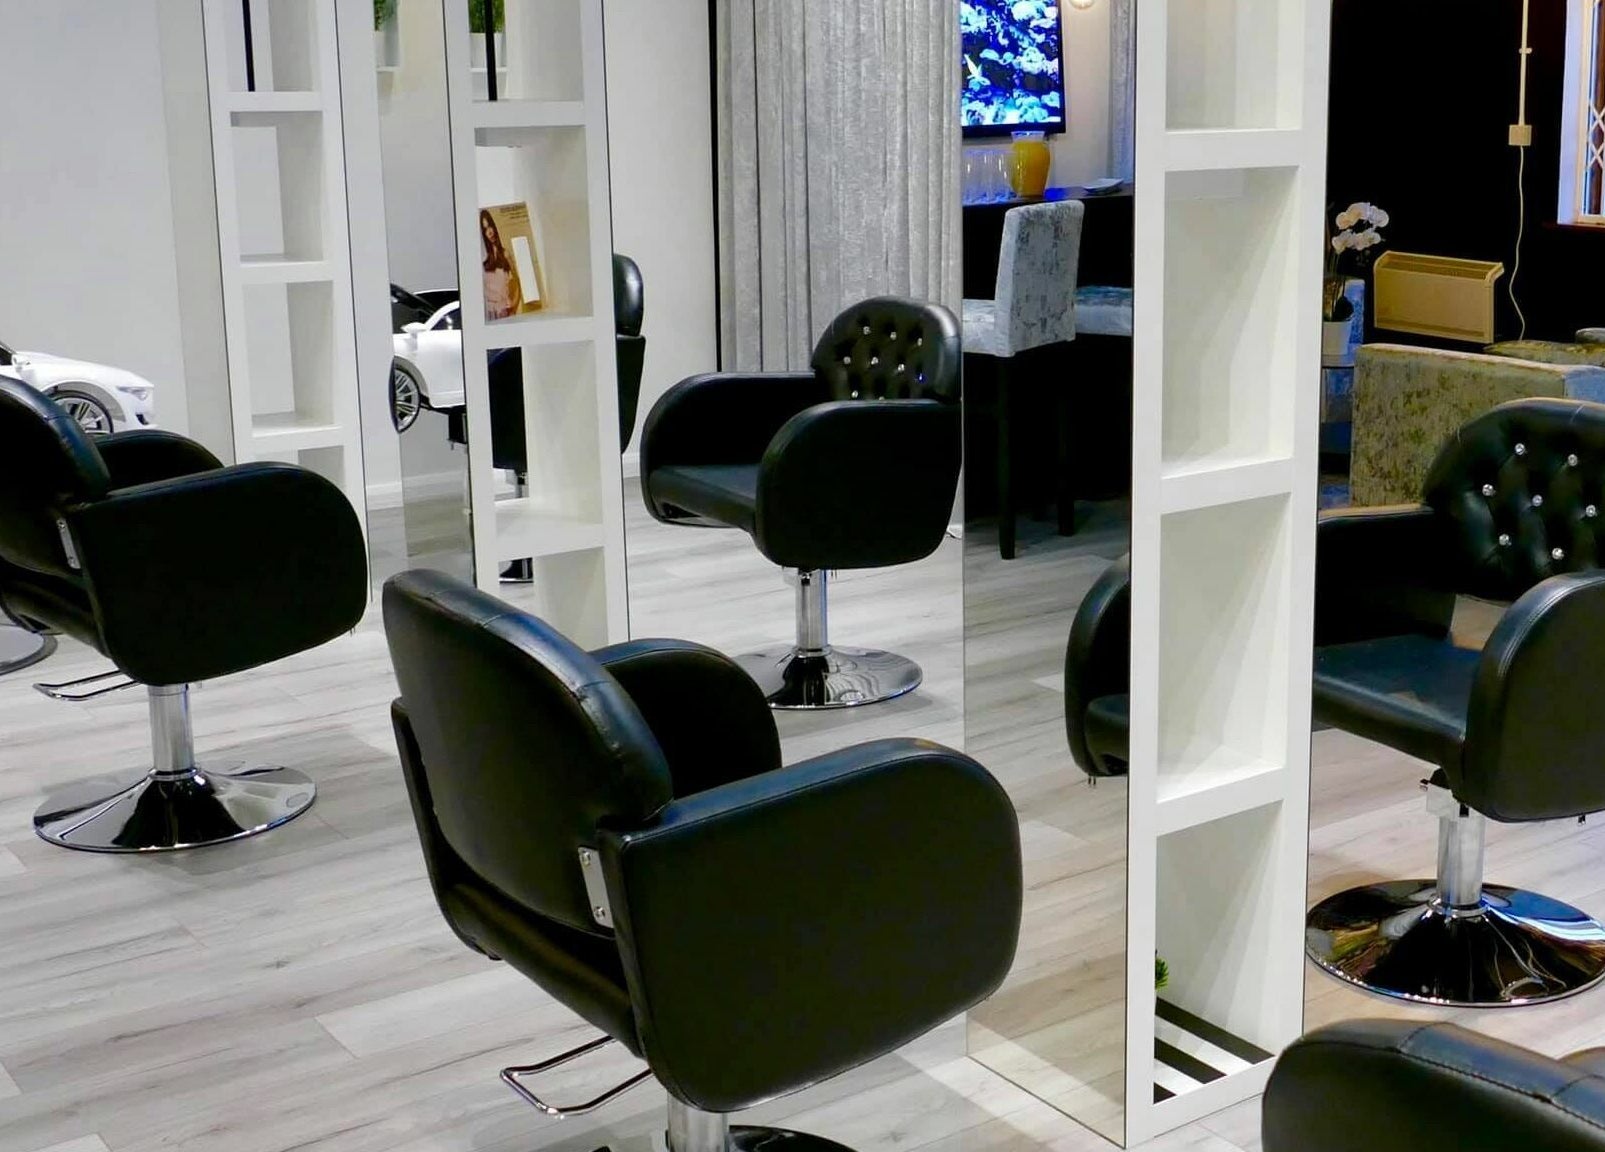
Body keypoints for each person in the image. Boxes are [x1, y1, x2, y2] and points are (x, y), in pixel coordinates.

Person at [480, 209, 522, 319]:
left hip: (505, 314)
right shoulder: (484, 261)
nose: (489, 232)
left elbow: (517, 282)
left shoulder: (505, 254)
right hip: (490, 315)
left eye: (490, 226)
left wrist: (513, 306)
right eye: (485, 230)